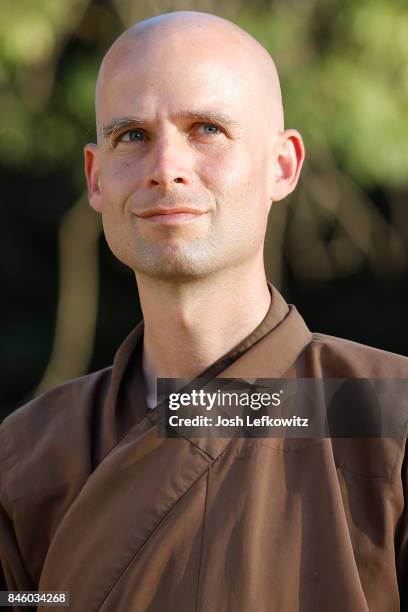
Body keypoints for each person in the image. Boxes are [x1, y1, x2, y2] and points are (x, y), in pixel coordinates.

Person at [0, 10, 407, 612]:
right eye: (131, 136)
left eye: (207, 129)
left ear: (282, 166)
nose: (166, 169)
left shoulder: (387, 414)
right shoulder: (30, 451)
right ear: (95, 177)